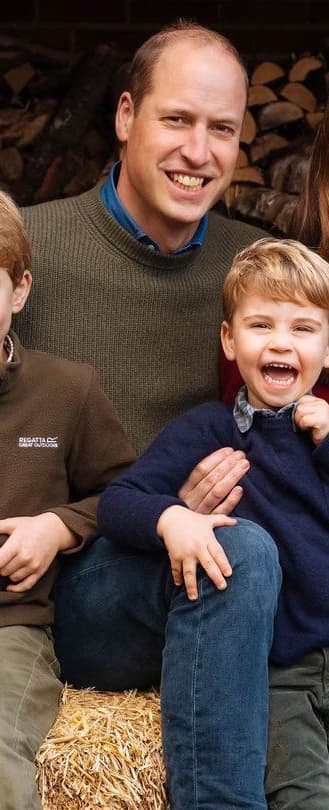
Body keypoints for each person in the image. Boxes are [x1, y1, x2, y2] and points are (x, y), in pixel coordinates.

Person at [16, 22, 282, 810]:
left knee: (250, 555)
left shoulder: (254, 270)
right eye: (177, 120)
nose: (198, 152)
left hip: (199, 570)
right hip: (69, 586)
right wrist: (149, 514)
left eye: (222, 129)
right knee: (249, 558)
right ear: (127, 115)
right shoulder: (29, 253)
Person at [99, 236, 329, 810]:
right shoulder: (208, 430)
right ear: (230, 341)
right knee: (306, 796)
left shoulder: (328, 437)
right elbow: (118, 502)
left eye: (303, 329)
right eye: (261, 326)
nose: (281, 342)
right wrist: (173, 517)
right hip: (279, 672)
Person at [0, 190, 135, 810]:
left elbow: (125, 492)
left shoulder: (67, 390)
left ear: (20, 290)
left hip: (11, 630)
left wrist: (57, 526)